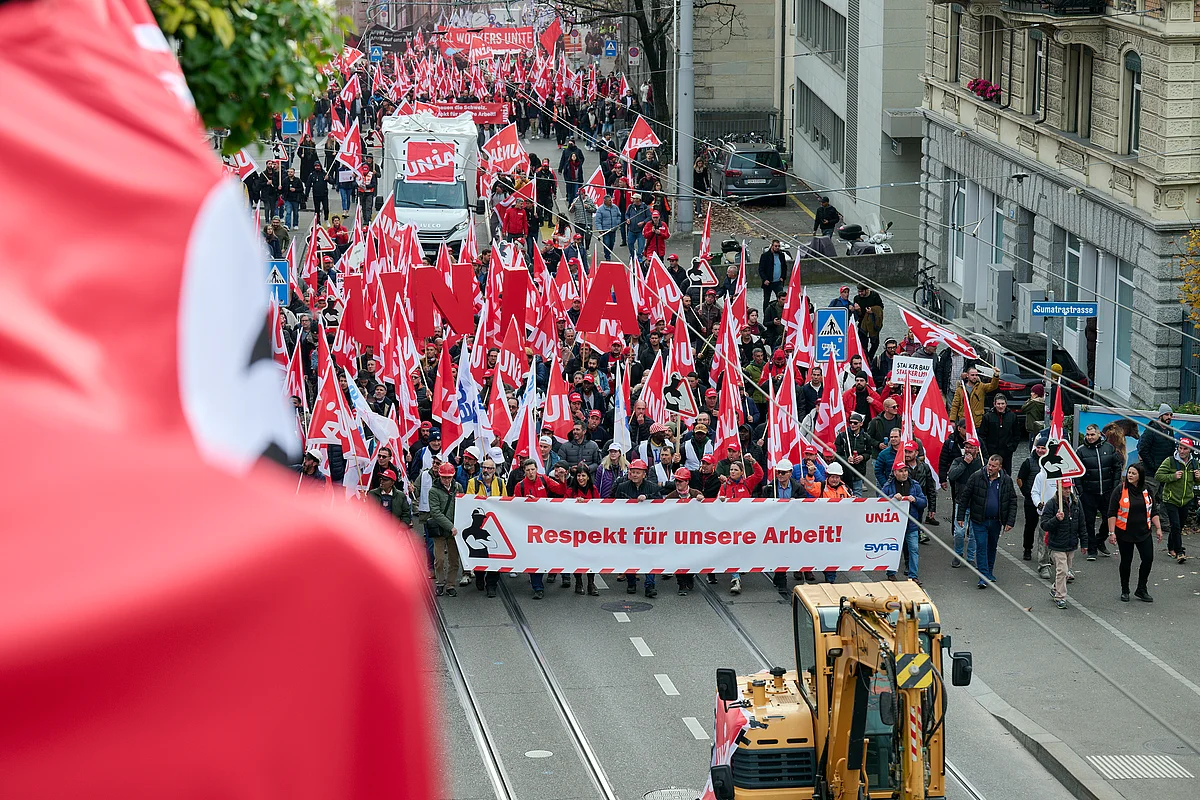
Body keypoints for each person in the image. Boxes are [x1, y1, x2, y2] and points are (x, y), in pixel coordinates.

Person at [1107, 463, 1163, 603]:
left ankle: (1141, 589)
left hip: (1144, 532)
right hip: (1124, 533)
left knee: (1148, 559)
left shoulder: (1147, 490)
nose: (1130, 475)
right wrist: (1111, 532)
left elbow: (1153, 511)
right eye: (1129, 473)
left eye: (1133, 473)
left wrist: (1159, 528)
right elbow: (1111, 513)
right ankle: (1125, 590)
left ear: (1140, 476)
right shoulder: (1120, 490)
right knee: (1126, 561)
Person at [959, 454, 1017, 589]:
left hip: (996, 521)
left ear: (1000, 467)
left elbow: (1012, 501)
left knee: (992, 546)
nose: (990, 468)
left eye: (993, 466)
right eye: (989, 465)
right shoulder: (976, 476)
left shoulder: (1006, 480)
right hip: (979, 520)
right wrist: (961, 517)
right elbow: (965, 497)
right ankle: (983, 576)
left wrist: (1010, 521)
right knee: (981, 546)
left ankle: (989, 572)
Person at [612, 459, 663, 597]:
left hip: (647, 529)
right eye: (632, 472)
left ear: (644, 474)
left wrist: (647, 498)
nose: (634, 475)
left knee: (649, 557)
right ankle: (631, 582)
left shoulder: (652, 487)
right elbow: (616, 505)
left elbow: (661, 504)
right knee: (629, 555)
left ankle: (650, 585)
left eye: (637, 472)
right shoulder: (622, 487)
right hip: (629, 529)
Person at [717, 457, 764, 595]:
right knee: (733, 550)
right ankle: (735, 579)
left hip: (745, 523)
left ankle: (739, 568)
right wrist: (720, 500)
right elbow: (717, 502)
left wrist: (753, 461)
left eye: (735, 470)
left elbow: (759, 475)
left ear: (741, 472)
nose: (732, 472)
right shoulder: (725, 486)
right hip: (731, 524)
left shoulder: (747, 483)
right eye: (731, 469)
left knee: (743, 549)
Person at [1040, 478, 1086, 609]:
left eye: (1068, 487)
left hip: (1071, 543)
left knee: (1065, 572)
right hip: (1057, 544)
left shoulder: (1076, 503)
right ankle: (1060, 597)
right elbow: (1044, 525)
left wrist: (1084, 543)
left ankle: (1055, 588)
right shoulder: (1052, 504)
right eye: (1064, 488)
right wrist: (1056, 519)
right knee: (1062, 570)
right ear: (1059, 488)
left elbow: (1082, 524)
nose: (1067, 490)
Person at [1078, 422, 1121, 560]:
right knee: (1089, 522)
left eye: (1092, 434)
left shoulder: (1109, 448)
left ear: (1098, 434)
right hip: (1089, 493)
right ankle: (1092, 550)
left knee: (1109, 519)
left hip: (1108, 491)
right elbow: (1076, 473)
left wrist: (1114, 487)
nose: (1090, 437)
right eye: (1088, 435)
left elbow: (1117, 467)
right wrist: (1080, 491)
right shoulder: (1081, 451)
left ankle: (1099, 540)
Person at [881, 455, 927, 584]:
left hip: (911, 524)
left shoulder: (915, 485)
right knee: (892, 549)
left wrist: (916, 499)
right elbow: (879, 500)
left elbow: (924, 502)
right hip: (894, 525)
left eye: (905, 471)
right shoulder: (889, 485)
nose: (904, 473)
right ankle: (890, 573)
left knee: (914, 549)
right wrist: (891, 497)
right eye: (901, 471)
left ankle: (913, 575)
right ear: (895, 473)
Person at [1153, 435, 1199, 564]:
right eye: (1180, 448)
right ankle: (1179, 552)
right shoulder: (1170, 461)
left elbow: (1197, 480)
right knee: (1176, 526)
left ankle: (1171, 547)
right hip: (1171, 499)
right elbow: (1158, 476)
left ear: (1190, 449)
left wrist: (1198, 477)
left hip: (1186, 499)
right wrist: (1172, 476)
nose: (1182, 451)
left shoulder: (1194, 463)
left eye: (1185, 449)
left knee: (1179, 525)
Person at [665, 468, 703, 595]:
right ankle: (681, 583)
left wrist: (701, 500)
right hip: (677, 534)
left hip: (693, 533)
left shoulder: (695, 494)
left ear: (687, 481)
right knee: (679, 558)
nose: (677, 483)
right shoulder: (671, 497)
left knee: (692, 557)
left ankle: (689, 576)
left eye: (680, 481)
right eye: (676, 481)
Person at [426, 463, 463, 596]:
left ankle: (450, 584)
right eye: (444, 477)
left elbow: (462, 505)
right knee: (440, 559)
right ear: (439, 476)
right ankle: (440, 582)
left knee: (454, 559)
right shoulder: (433, 491)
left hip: (454, 530)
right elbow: (435, 512)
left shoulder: (458, 487)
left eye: (449, 477)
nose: (447, 480)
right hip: (441, 530)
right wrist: (450, 526)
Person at [947, 437, 982, 568]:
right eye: (966, 447)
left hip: (977, 504)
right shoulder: (958, 461)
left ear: (977, 450)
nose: (968, 450)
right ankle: (958, 554)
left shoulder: (981, 463)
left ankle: (971, 557)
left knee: (973, 534)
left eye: (971, 447)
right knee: (959, 532)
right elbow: (952, 476)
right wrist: (965, 464)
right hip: (961, 502)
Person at [1138, 404, 1177, 495]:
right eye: (1166, 415)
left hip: (1165, 471)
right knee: (1149, 496)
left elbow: (1171, 449)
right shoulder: (1151, 430)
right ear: (1160, 416)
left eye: (1170, 415)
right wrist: (1153, 466)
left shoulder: (1169, 431)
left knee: (1164, 498)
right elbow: (1143, 450)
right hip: (1151, 472)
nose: (1169, 417)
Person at [979, 393, 1021, 475]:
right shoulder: (987, 417)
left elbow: (1017, 434)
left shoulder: (1012, 416)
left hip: (1006, 451)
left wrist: (1012, 447)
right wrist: (986, 450)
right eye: (998, 404)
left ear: (1006, 404)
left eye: (1002, 404)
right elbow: (982, 435)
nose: (1000, 406)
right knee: (991, 473)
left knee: (1006, 473)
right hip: (991, 451)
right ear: (994, 404)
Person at [757, 240, 788, 318]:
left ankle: (782, 315)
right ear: (772, 246)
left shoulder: (781, 255)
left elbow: (784, 267)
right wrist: (765, 279)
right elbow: (761, 269)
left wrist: (782, 277)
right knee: (766, 300)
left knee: (782, 298)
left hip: (778, 282)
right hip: (768, 282)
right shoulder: (765, 256)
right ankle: (766, 316)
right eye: (775, 246)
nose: (777, 248)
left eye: (778, 246)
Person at [593, 193, 623, 260]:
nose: (611, 202)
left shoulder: (615, 207)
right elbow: (598, 221)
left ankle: (609, 252)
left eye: (611, 200)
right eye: (609, 200)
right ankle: (607, 256)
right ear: (605, 201)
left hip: (613, 229)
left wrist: (617, 223)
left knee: (612, 243)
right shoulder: (600, 210)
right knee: (606, 243)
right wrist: (600, 229)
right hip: (605, 230)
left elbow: (619, 216)